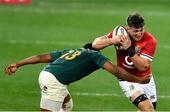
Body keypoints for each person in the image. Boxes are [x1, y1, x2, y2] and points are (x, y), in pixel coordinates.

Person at [4, 43, 150, 111]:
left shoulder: (75, 50)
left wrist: (18, 64)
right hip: (54, 81)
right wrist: (140, 80)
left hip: (46, 74)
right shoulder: (95, 55)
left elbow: (41, 57)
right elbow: (117, 71)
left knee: (67, 105)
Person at [92, 13, 157, 111]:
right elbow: (95, 44)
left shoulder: (150, 40)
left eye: (141, 30)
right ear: (128, 28)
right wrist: (113, 40)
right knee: (148, 109)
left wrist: (128, 48)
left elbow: (143, 67)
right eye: (136, 31)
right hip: (127, 78)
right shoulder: (120, 33)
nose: (139, 33)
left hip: (146, 79)